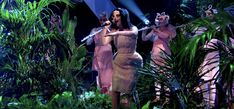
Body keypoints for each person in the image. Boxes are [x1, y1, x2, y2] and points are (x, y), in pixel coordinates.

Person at [101, 8, 143, 109]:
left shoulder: (133, 28)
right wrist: (105, 28)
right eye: (113, 16)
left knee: (127, 93)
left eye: (118, 15)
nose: (115, 18)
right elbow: (104, 42)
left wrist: (116, 33)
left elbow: (133, 34)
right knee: (115, 90)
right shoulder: (114, 30)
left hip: (132, 62)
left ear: (124, 16)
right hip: (119, 63)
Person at [141, 12, 176, 102]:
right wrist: (145, 30)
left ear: (165, 20)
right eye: (159, 19)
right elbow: (145, 39)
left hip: (165, 56)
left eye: (161, 19)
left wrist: (156, 30)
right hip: (155, 56)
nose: (160, 21)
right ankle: (158, 97)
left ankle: (167, 99)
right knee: (156, 77)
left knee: (167, 76)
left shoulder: (169, 29)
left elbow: (165, 36)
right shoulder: (155, 30)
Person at [86, 12, 113, 94]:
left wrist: (107, 27)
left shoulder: (110, 29)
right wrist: (91, 37)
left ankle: (109, 94)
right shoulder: (95, 30)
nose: (102, 21)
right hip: (98, 53)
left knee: (108, 74)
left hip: (107, 54)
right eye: (101, 20)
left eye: (104, 20)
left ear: (107, 20)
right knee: (99, 75)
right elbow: (88, 43)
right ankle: (101, 95)